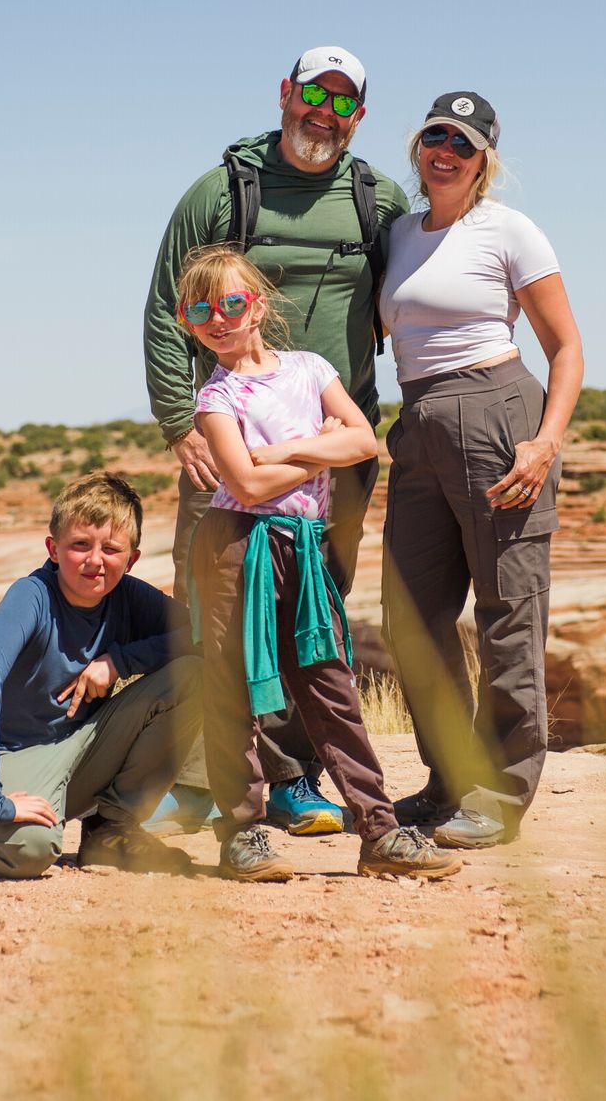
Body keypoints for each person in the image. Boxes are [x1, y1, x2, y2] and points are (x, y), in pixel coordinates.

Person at [141, 46, 411, 837]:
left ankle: (294, 783)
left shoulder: (376, 199)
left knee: (311, 618)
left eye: (342, 103)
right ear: (286, 93)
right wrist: (178, 421)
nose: (322, 114)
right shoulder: (223, 190)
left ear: (357, 117)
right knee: (212, 612)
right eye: (312, 95)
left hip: (334, 450)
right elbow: (165, 304)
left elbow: (420, 279)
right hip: (226, 445)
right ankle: (208, 782)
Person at [176, 246, 459, 882]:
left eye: (230, 303)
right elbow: (244, 485)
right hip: (236, 547)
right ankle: (243, 833)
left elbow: (362, 440)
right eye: (200, 310)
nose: (217, 319)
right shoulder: (215, 397)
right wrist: (321, 447)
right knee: (233, 691)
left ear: (260, 305)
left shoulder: (309, 367)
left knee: (328, 684)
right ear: (186, 321)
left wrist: (291, 450)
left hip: (302, 545)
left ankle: (379, 830)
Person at [379, 92, 585, 849]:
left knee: (508, 614)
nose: (446, 152)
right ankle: (449, 779)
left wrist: (545, 441)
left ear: (483, 160)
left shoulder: (508, 231)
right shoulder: (399, 234)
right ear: (418, 146)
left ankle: (500, 794)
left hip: (498, 415)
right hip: (419, 427)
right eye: (436, 136)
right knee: (409, 617)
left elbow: (566, 347)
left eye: (463, 145)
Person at [0, 473, 199, 878]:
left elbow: (202, 638)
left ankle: (112, 832)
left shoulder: (129, 597)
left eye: (111, 549)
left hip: (81, 754)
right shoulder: (31, 597)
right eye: (79, 545)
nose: (95, 560)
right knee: (31, 851)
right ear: (53, 549)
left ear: (131, 559)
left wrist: (120, 661)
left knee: (196, 677)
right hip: (11, 761)